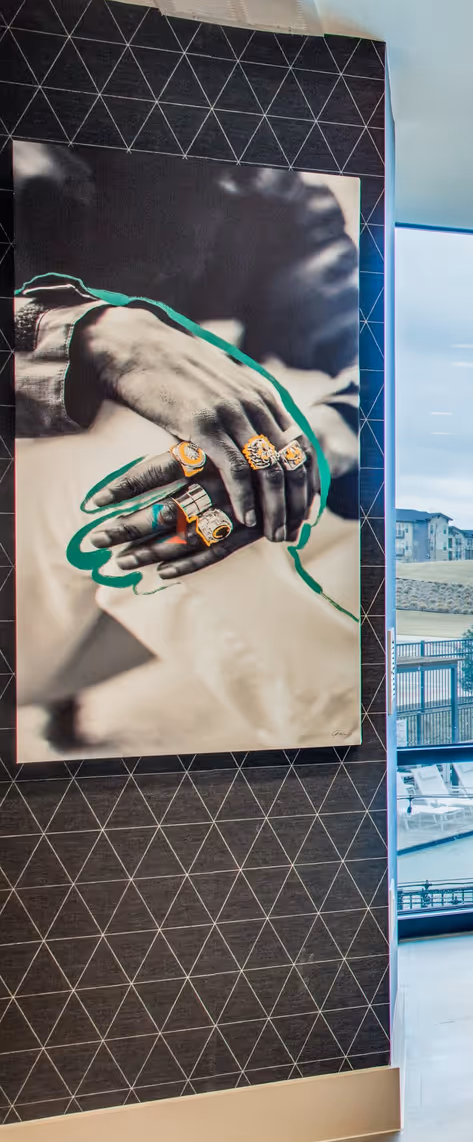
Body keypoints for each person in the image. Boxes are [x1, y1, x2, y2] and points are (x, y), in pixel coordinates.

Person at [12, 141, 362, 754]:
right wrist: (91, 337)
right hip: (31, 571)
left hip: (80, 601)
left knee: (250, 458)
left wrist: (326, 431)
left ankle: (356, 739)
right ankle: (358, 739)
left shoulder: (263, 193)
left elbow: (374, 360)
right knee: (154, 476)